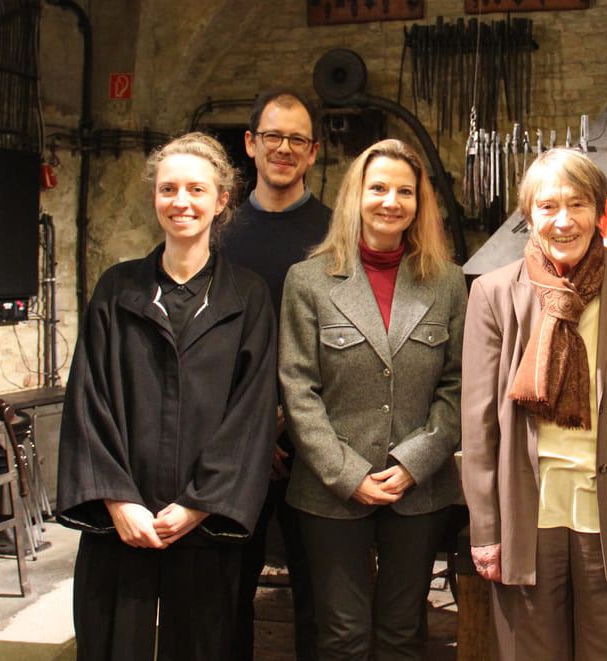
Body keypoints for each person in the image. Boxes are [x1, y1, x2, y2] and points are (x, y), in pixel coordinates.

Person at [56, 132, 278, 661]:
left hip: (201, 525)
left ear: (221, 200)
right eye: (168, 189)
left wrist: (199, 504)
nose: (181, 202)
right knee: (114, 641)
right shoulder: (117, 290)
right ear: (155, 196)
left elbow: (250, 414)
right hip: (122, 524)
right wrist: (117, 499)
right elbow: (89, 400)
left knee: (204, 642)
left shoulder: (246, 298)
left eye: (196, 190)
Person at [461, 148, 607, 661]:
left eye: (577, 204)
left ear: (599, 209)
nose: (563, 221)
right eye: (547, 206)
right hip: (526, 514)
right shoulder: (494, 293)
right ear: (528, 215)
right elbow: (478, 423)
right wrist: (486, 529)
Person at [278, 137, 465, 660]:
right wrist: (347, 473)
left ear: (419, 203)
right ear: (355, 196)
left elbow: (457, 384)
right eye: (378, 187)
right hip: (330, 490)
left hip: (418, 491)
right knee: (341, 634)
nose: (391, 201)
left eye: (404, 191)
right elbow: (298, 388)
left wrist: (414, 462)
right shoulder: (309, 281)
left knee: (404, 631)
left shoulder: (447, 283)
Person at [223, 88, 330, 661]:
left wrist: (295, 425)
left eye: (297, 139)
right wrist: (256, 427)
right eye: (273, 136)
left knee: (321, 602)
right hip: (234, 445)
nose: (283, 149)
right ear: (250, 144)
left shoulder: (340, 236)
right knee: (228, 597)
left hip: (317, 447)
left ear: (312, 152)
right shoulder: (221, 234)